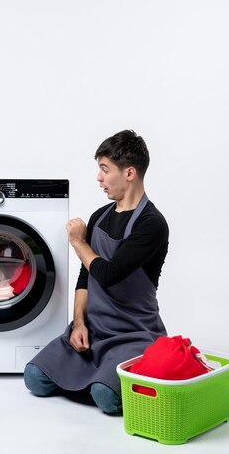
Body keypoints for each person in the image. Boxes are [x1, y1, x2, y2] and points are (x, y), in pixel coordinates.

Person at [23, 129, 169, 414]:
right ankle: (100, 375)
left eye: (105, 170)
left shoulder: (151, 224)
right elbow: (86, 276)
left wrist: (78, 242)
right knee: (34, 378)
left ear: (129, 173)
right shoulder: (99, 217)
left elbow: (109, 273)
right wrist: (79, 323)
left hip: (133, 336)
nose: (99, 178)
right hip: (94, 332)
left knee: (106, 397)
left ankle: (109, 378)